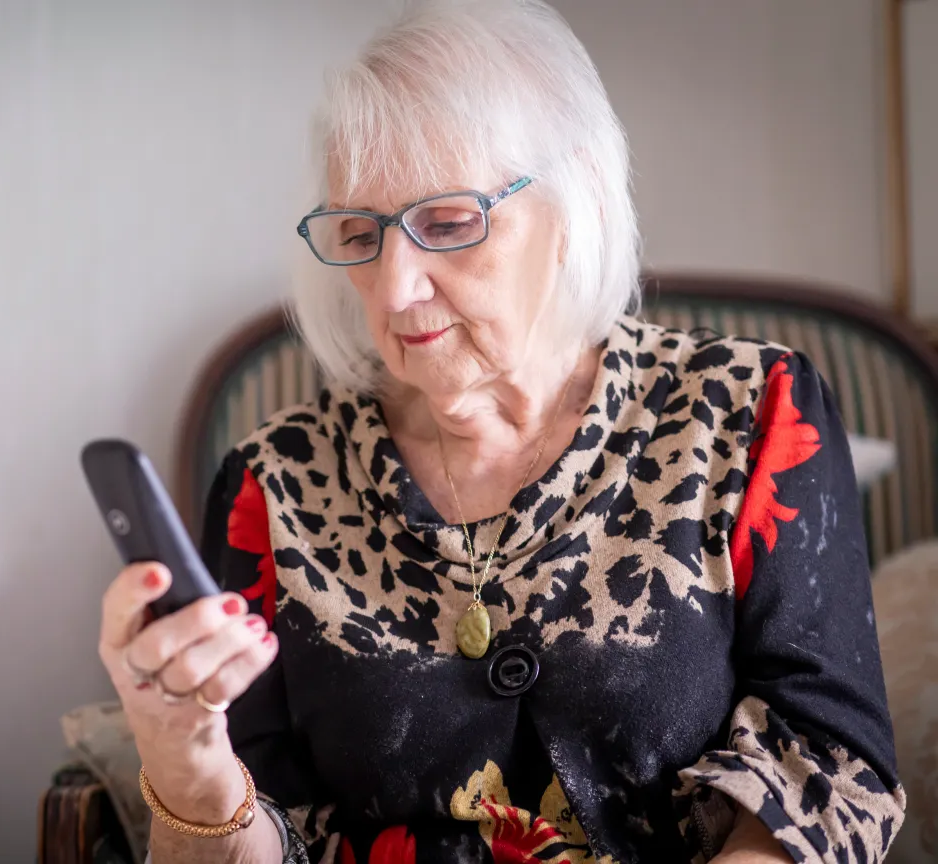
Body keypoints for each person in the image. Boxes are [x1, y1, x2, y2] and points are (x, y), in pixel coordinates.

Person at [96, 1, 906, 861]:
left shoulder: (744, 415)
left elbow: (828, 768)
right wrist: (186, 765)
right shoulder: (277, 488)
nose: (395, 286)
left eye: (448, 223)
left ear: (579, 195)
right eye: (361, 234)